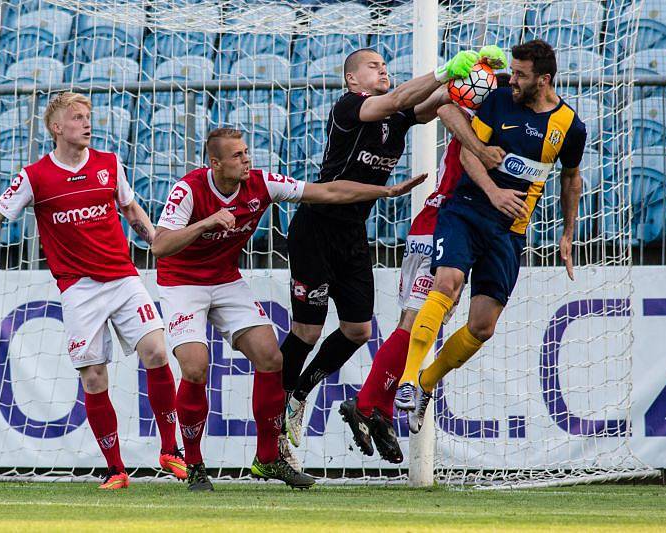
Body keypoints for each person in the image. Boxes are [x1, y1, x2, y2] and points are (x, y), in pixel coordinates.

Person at [151, 127, 426, 491]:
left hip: (225, 280)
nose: (247, 159)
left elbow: (328, 191)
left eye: (247, 151)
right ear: (214, 163)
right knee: (196, 368)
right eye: (237, 156)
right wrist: (206, 222)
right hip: (183, 285)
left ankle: (268, 459)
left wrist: (386, 191)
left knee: (271, 358)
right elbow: (160, 246)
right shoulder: (189, 190)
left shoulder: (263, 184)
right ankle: (196, 464)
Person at [280, 46, 508, 454]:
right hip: (316, 225)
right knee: (308, 331)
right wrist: (443, 69)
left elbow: (438, 100)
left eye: (386, 65)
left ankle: (300, 395)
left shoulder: (397, 117)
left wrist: (482, 74)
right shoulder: (350, 108)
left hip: (352, 233)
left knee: (357, 330)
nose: (383, 70)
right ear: (352, 79)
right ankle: (277, 409)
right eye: (373, 66)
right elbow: (403, 97)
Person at [0, 92, 185, 489]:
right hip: (79, 289)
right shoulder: (35, 176)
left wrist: (156, 241)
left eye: (88, 116)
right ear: (57, 128)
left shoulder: (109, 165)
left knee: (158, 351)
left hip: (124, 278)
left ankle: (169, 450)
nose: (87, 123)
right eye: (78, 117)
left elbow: (131, 210)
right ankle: (115, 469)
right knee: (94, 378)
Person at [394, 40, 587, 416]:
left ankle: (425, 384)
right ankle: (406, 380)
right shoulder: (498, 101)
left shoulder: (569, 126)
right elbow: (468, 151)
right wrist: (494, 191)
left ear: (544, 80)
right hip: (465, 210)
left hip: (510, 231)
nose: (511, 79)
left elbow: (571, 178)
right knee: (446, 284)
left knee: (482, 327)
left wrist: (567, 233)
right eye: (512, 71)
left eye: (520, 75)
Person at [340, 73, 512, 463]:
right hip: (440, 225)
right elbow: (445, 104)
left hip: (446, 227)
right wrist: (461, 73)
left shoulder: (488, 124)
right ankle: (367, 404)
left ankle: (379, 408)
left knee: (425, 322)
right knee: (416, 321)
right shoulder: (481, 125)